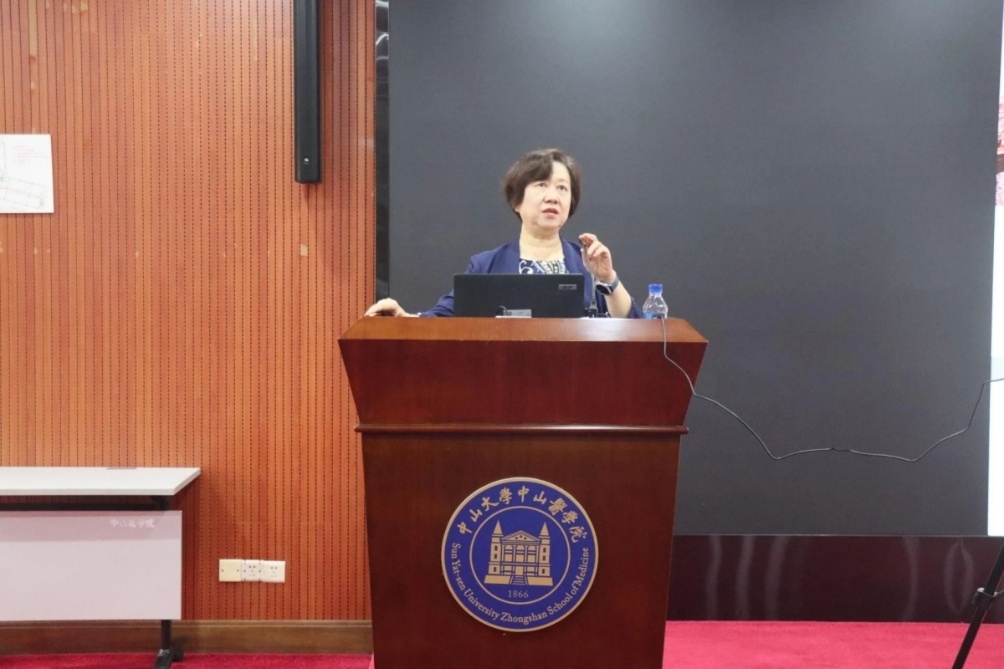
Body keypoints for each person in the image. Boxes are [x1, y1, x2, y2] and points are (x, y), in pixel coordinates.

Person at [364, 148, 642, 318]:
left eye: (562, 188)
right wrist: (404, 318)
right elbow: (443, 318)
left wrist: (609, 279)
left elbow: (630, 325)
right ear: (516, 201)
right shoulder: (486, 265)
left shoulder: (587, 265)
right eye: (542, 185)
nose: (553, 196)